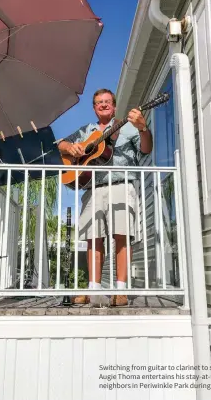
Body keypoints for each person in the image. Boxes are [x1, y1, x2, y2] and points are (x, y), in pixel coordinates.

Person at [58, 88, 153, 306]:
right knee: (93, 239)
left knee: (122, 235)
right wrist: (71, 147)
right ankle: (93, 290)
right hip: (93, 188)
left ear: (114, 106)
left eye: (107, 101)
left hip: (120, 184)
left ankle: (120, 291)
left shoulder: (128, 127)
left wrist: (143, 128)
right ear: (93, 108)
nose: (103, 104)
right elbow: (60, 145)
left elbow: (146, 149)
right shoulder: (86, 130)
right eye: (99, 102)